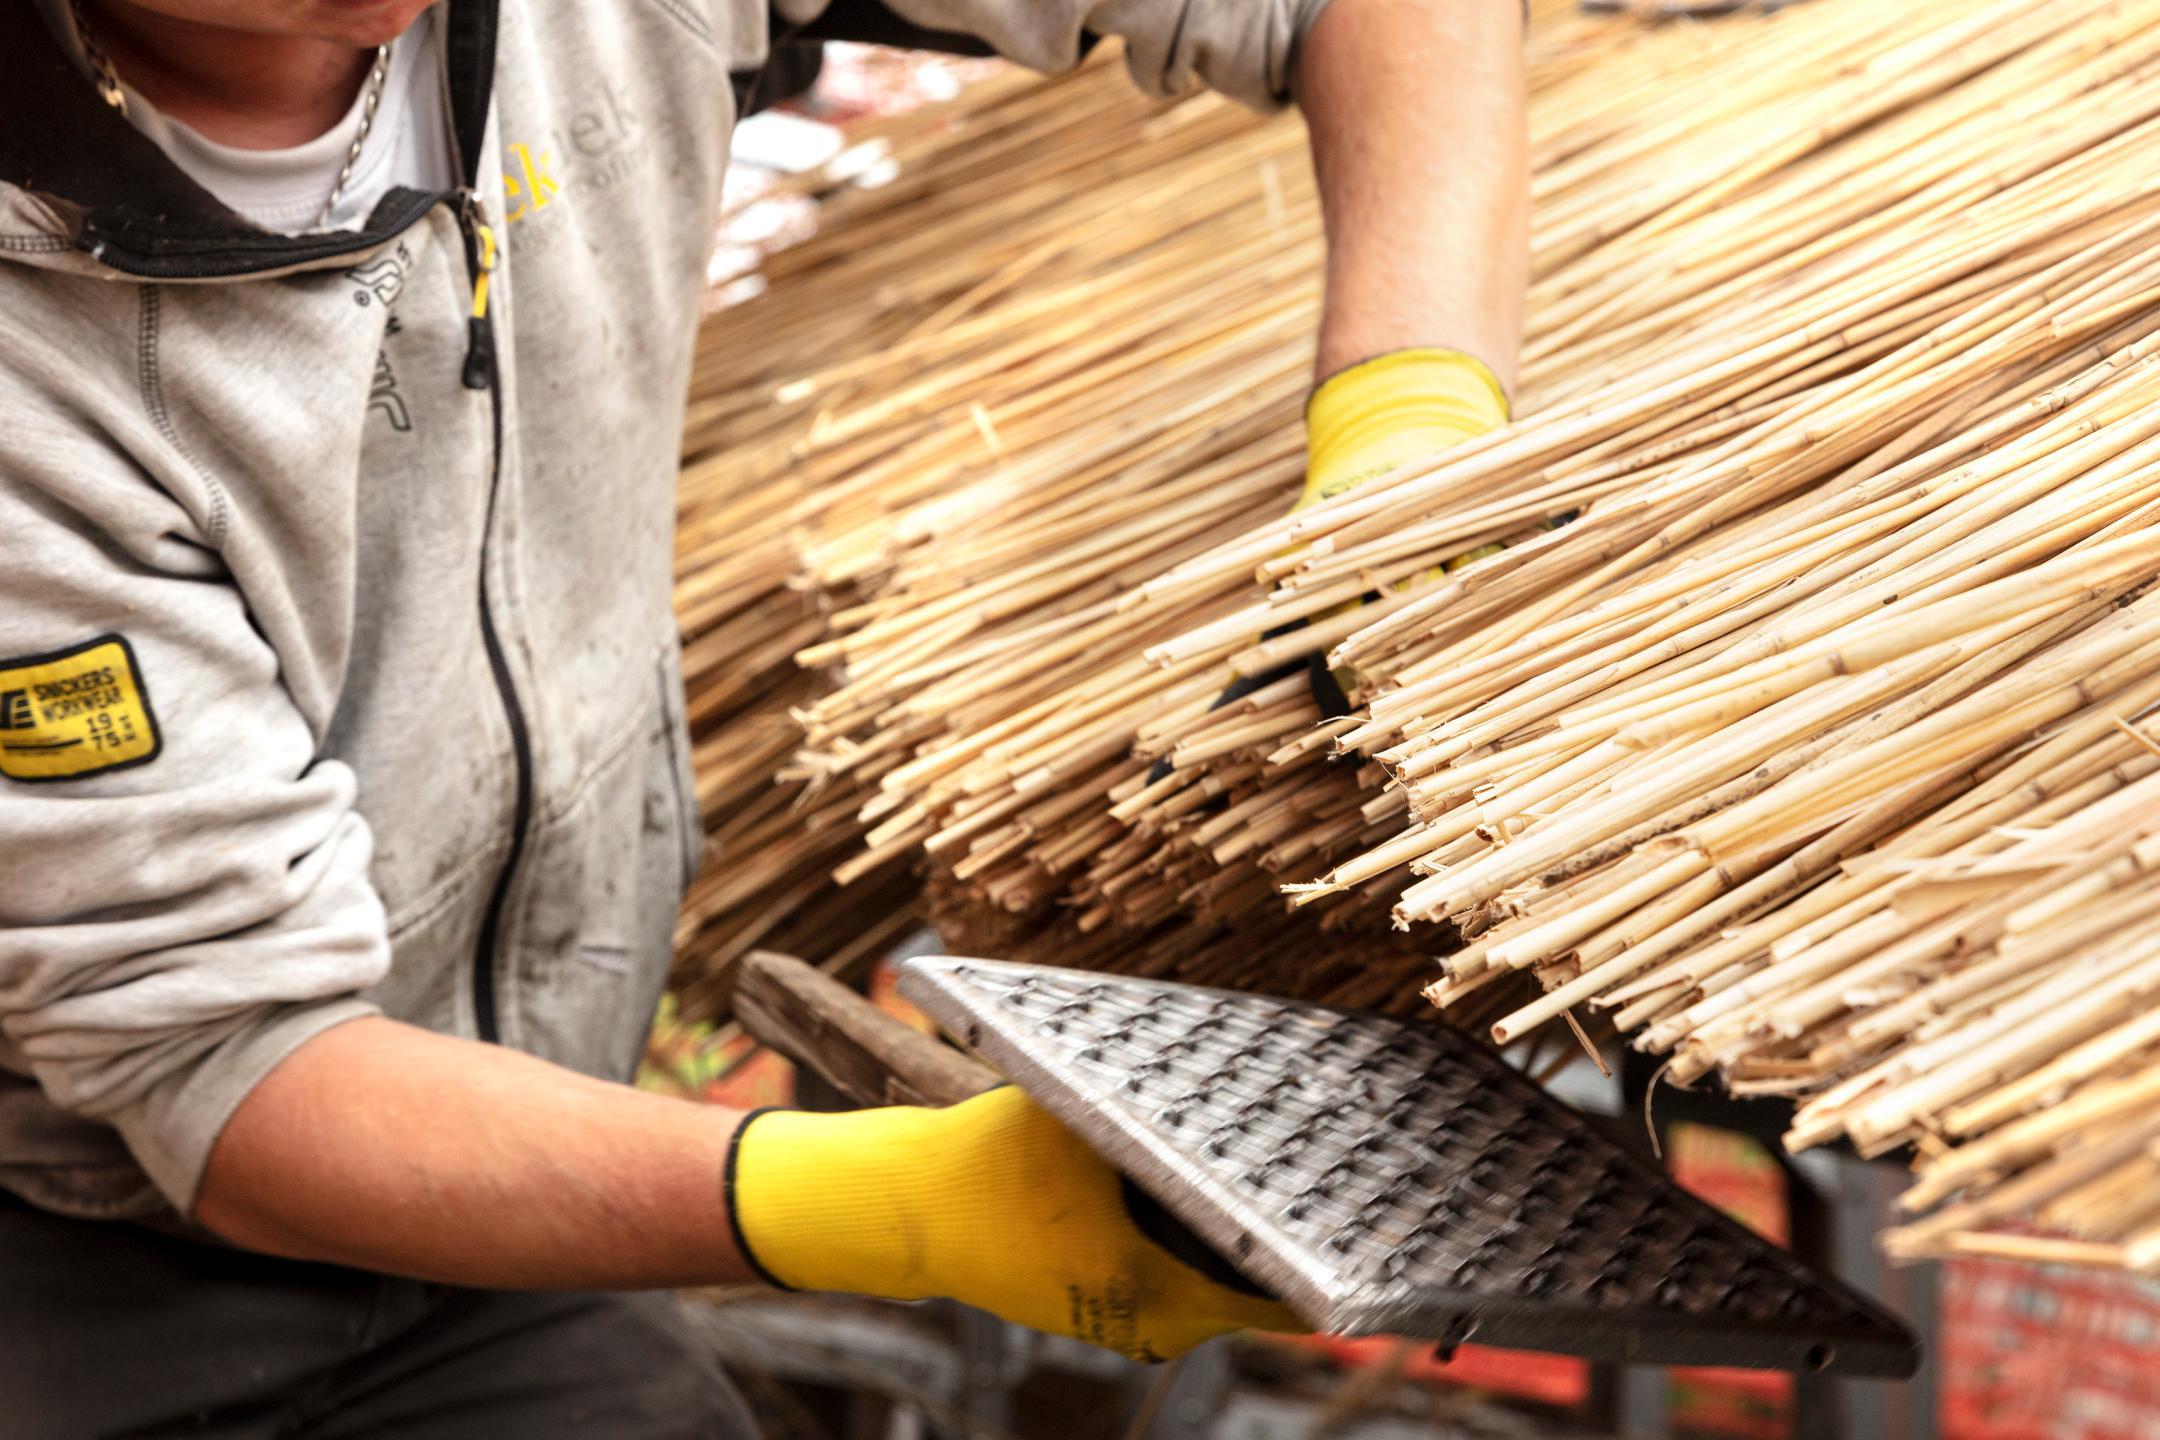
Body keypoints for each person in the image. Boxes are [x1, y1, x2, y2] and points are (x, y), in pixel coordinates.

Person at [0, 0, 1527, 1433]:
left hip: (515, 1183)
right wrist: (894, 1203)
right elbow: (237, 1068)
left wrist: (1409, 414)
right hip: (91, 1256)